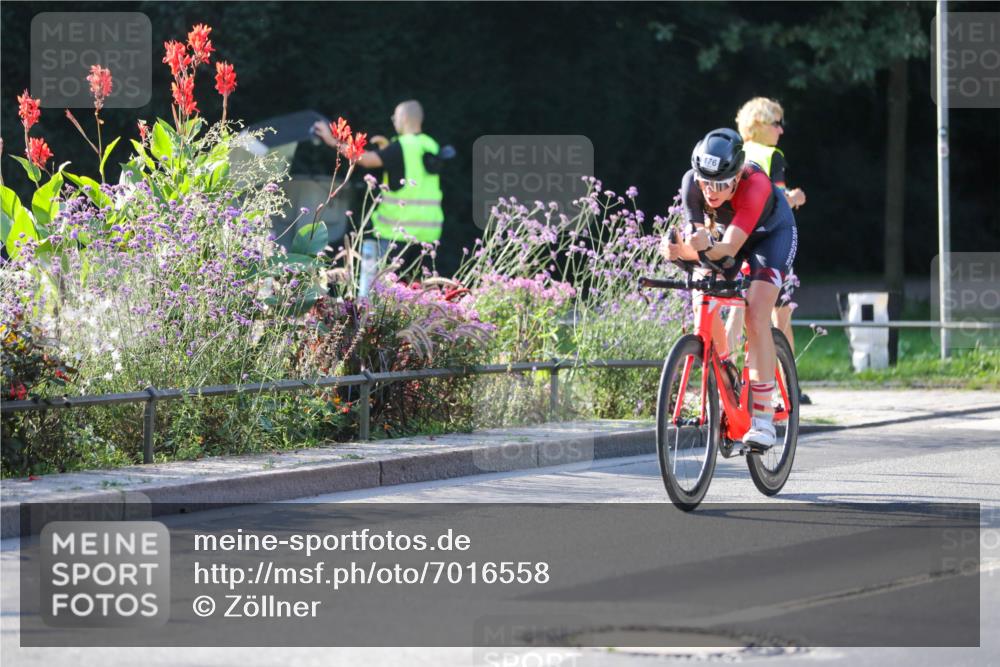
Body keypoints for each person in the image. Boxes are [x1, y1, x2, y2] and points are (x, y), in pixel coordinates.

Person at [661, 128, 798, 450]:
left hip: (771, 237)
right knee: (702, 295)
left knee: (756, 314)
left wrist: (700, 248)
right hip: (727, 238)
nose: (711, 191)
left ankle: (763, 420)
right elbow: (699, 245)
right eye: (705, 182)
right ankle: (726, 371)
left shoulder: (755, 185)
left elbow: (728, 249)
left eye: (721, 184)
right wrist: (678, 250)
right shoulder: (692, 184)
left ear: (737, 176)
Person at [729, 97, 811, 404]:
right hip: (769, 243)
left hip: (737, 239)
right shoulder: (771, 155)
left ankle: (727, 379)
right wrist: (796, 197)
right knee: (781, 313)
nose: (781, 130)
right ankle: (790, 387)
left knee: (736, 310)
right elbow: (776, 201)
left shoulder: (736, 152)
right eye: (777, 123)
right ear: (760, 125)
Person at [314, 100, 445, 259]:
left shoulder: (402, 146)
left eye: (395, 117)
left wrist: (332, 141)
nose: (394, 121)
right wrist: (386, 149)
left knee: (383, 275)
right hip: (428, 234)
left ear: (403, 118)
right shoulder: (430, 144)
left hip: (398, 232)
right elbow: (406, 170)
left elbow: (367, 160)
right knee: (417, 276)